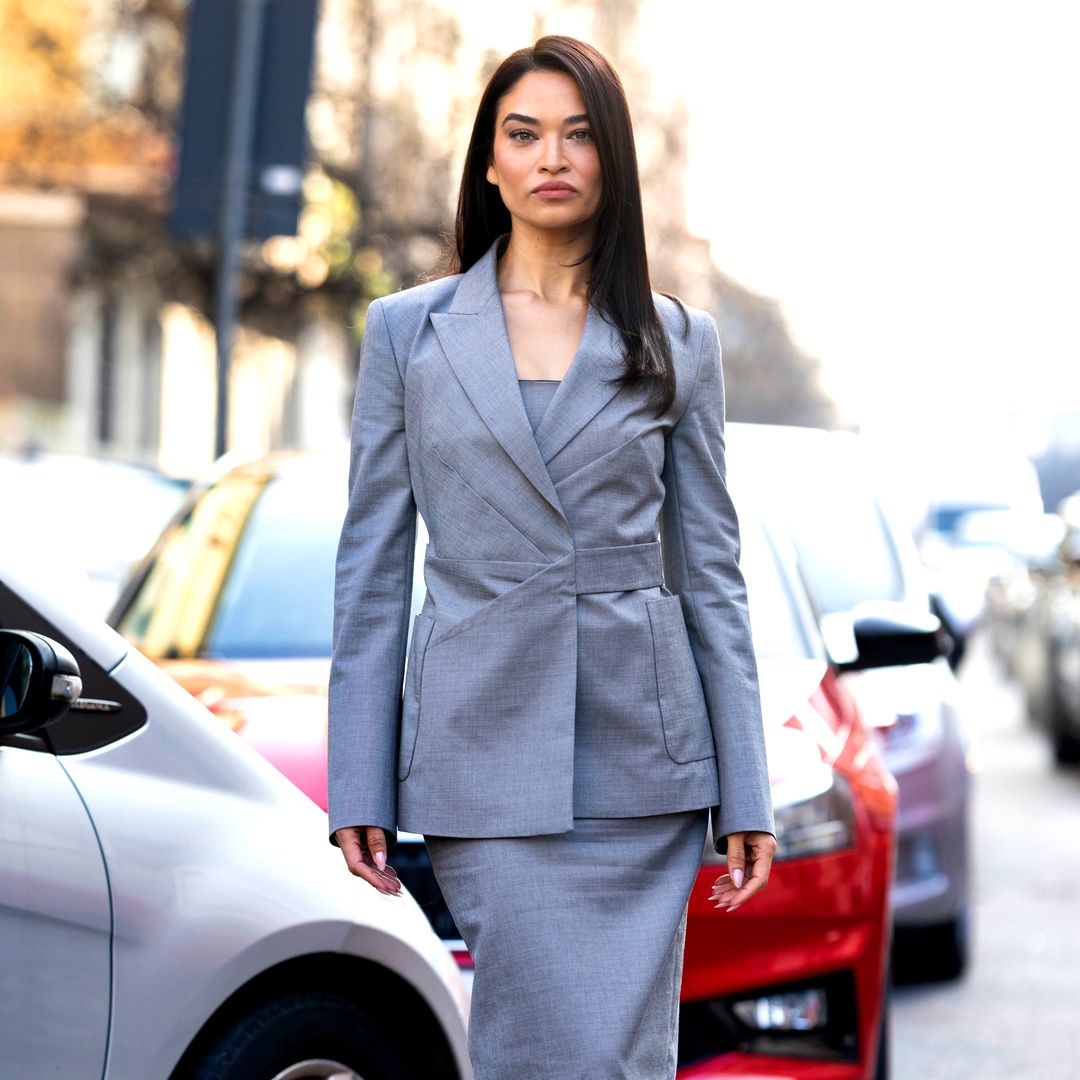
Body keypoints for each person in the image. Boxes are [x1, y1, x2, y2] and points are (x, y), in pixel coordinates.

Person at [328, 34, 776, 1080]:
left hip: (643, 766)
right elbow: (371, 571)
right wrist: (362, 779)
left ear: (612, 160)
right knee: (539, 1048)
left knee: (620, 1055)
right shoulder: (408, 335)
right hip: (485, 755)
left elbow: (711, 571)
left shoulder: (678, 341)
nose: (551, 157)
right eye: (523, 135)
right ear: (489, 163)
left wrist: (745, 789)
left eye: (578, 135)